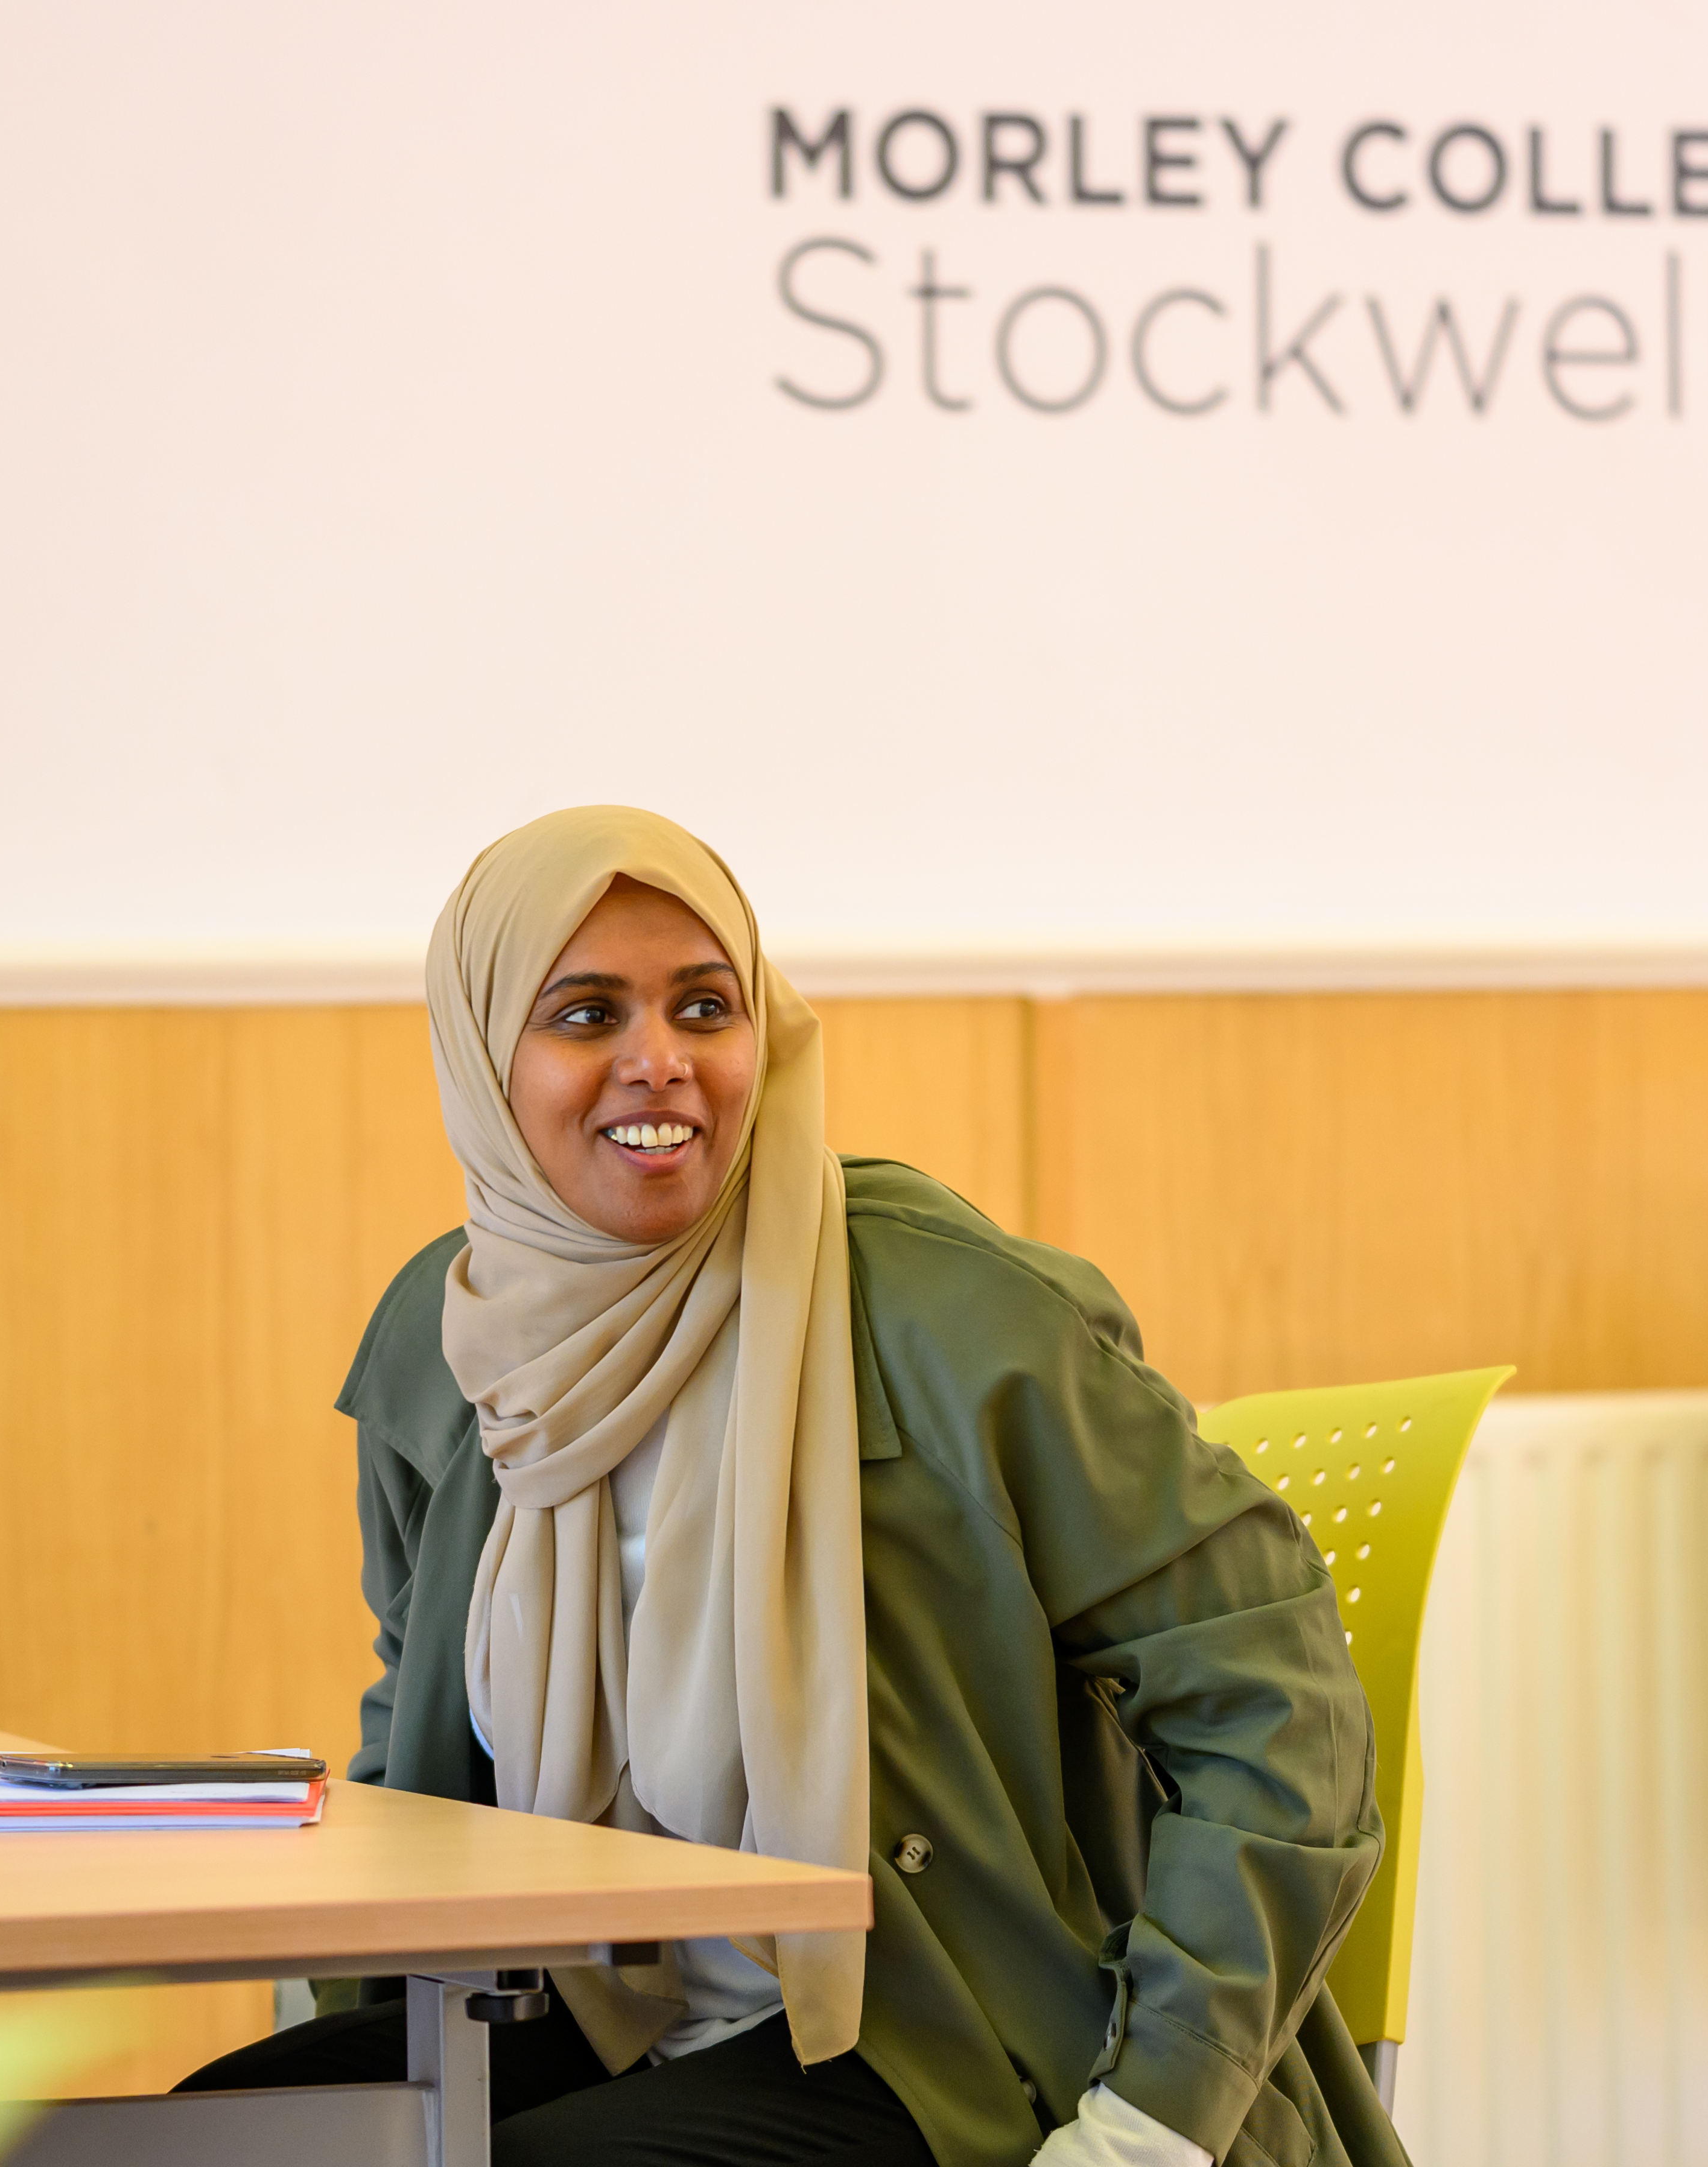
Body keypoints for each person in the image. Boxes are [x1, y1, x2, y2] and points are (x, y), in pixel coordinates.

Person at [182, 807, 1402, 2167]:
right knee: (217, 2133)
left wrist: (1151, 2119)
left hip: (940, 2038)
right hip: (582, 2000)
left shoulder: (943, 1319)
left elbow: (1276, 1700)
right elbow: (411, 1710)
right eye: (584, 1014)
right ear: (480, 1056)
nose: (659, 1061)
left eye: (705, 1005)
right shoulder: (450, 1341)